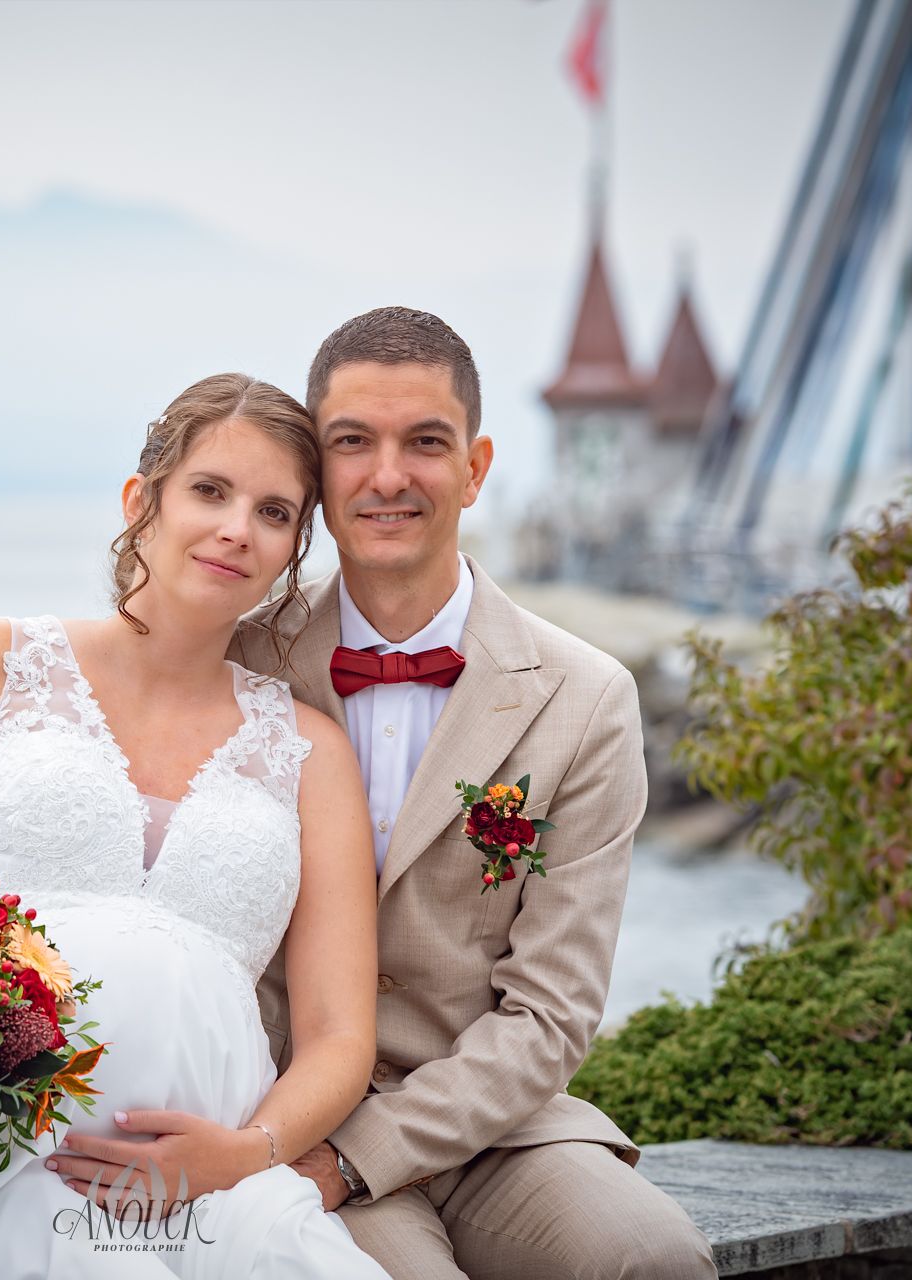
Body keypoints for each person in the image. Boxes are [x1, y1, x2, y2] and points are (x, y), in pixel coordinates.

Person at [0, 372, 392, 1278]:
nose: (236, 528)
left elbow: (338, 1037)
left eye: (273, 512)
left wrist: (240, 1155)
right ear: (141, 501)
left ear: (293, 549)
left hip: (214, 1191)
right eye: (209, 491)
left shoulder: (309, 753)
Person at [221, 307, 720, 1279]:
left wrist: (362, 1155)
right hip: (286, 1116)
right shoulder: (241, 665)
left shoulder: (586, 696)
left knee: (655, 1260)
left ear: (476, 467)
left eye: (425, 442)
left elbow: (552, 1012)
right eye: (352, 442)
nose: (388, 475)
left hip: (501, 1130)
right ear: (316, 469)